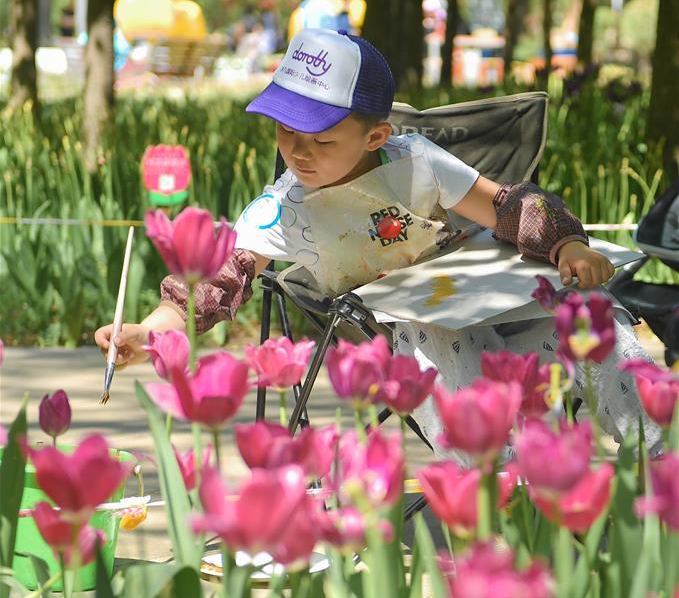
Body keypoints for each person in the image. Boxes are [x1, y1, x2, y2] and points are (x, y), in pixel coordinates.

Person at [95, 28, 663, 458]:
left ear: (375, 135)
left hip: (490, 304)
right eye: (284, 128)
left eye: (320, 137)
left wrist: (566, 246)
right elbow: (217, 281)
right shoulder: (283, 209)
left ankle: (655, 456)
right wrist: (150, 332)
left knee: (595, 314)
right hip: (401, 335)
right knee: (430, 332)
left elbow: (506, 207)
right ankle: (499, 475)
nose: (298, 151)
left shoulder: (415, 161)